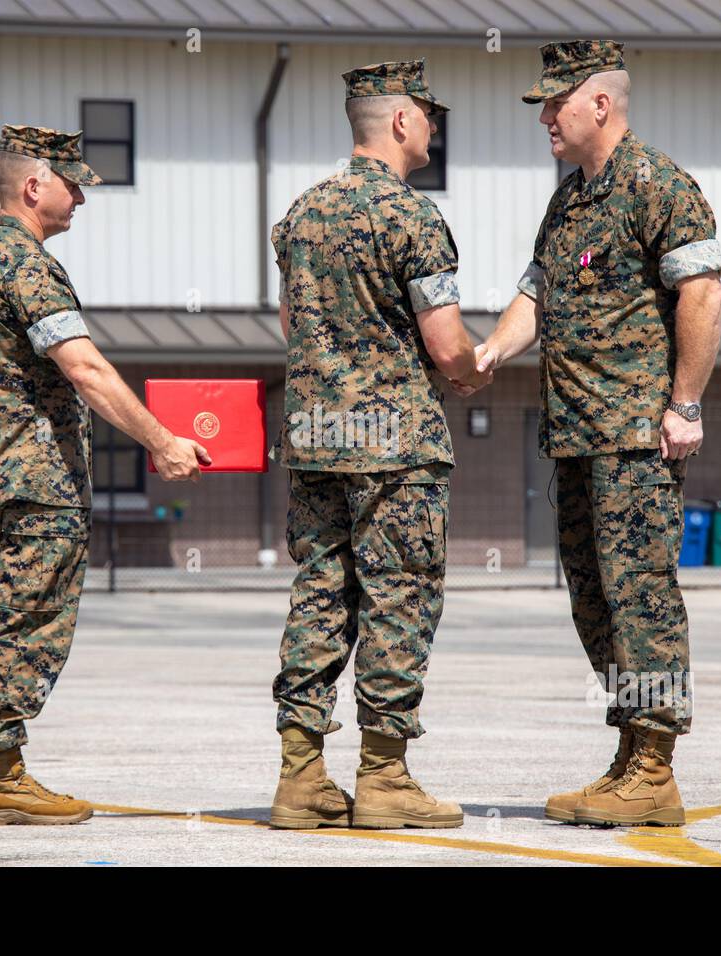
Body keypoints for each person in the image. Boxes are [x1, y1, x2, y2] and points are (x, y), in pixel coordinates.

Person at [476, 42, 721, 826]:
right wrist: (488, 350)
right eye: (542, 106)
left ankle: (655, 766)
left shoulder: (658, 185)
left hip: (634, 440)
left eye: (556, 103)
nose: (545, 118)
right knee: (595, 601)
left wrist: (684, 404)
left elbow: (704, 293)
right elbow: (535, 298)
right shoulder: (569, 203)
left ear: (601, 104)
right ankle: (628, 755)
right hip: (576, 439)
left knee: (641, 596)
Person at [0, 124, 209, 826]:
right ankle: (2, 777)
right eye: (73, 185)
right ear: (34, 186)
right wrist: (161, 440)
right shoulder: (25, 266)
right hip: (36, 485)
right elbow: (84, 366)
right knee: (29, 622)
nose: (81, 200)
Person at [267, 61, 490, 830]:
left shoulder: (300, 215)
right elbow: (444, 338)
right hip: (395, 445)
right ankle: (385, 777)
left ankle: (300, 776)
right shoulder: (412, 218)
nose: (432, 128)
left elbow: (294, 331)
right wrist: (471, 368)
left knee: (321, 593)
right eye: (427, 115)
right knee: (399, 597)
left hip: (317, 438)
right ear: (400, 122)